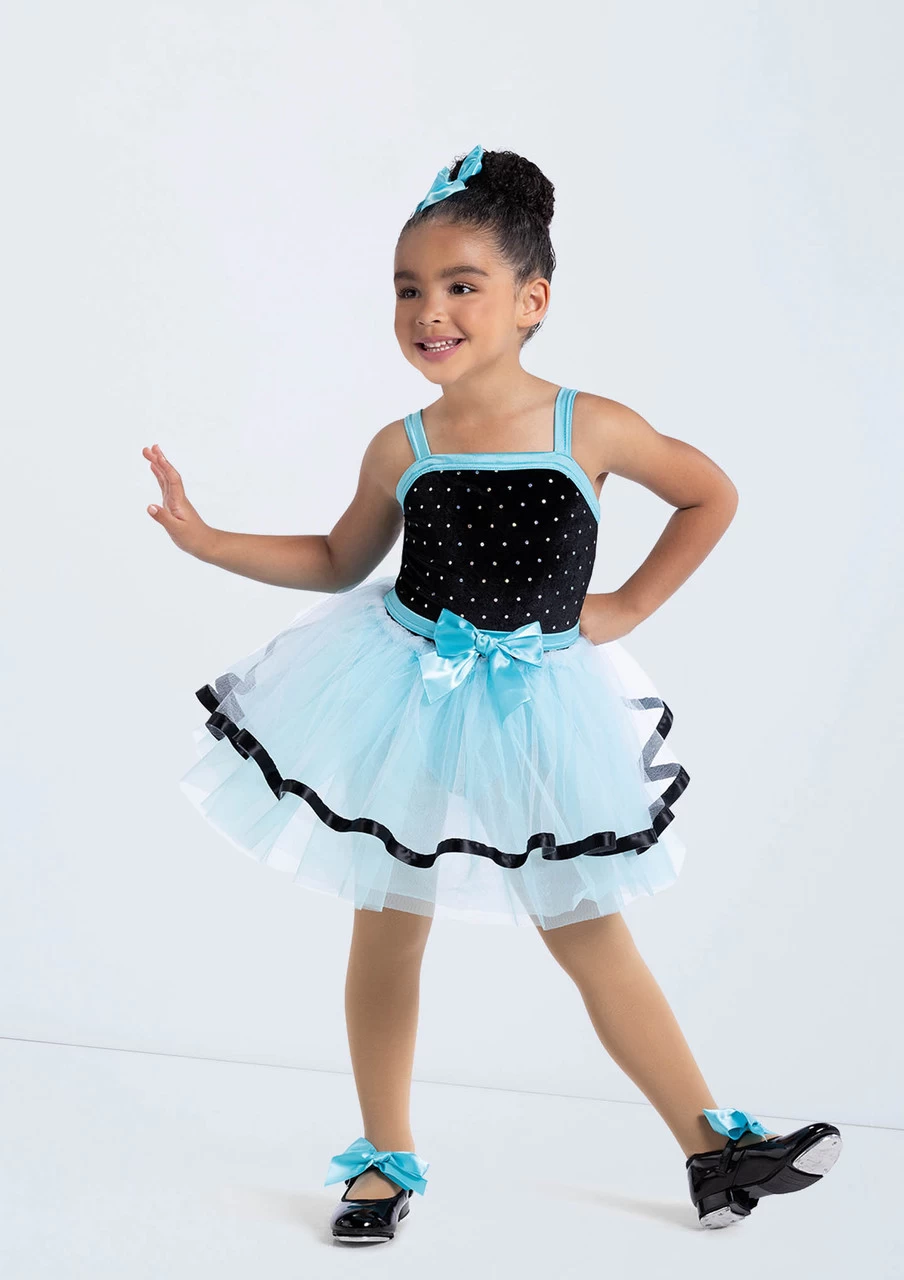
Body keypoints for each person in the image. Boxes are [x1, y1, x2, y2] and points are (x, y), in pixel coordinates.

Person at [144, 144, 842, 1243]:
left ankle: (715, 1150)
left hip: (536, 704)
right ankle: (383, 1161)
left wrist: (627, 607)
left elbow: (708, 493)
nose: (430, 311)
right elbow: (336, 559)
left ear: (531, 301)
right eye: (408, 288)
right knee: (390, 925)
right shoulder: (404, 444)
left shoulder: (587, 425)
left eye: (461, 285)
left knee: (588, 930)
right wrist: (207, 538)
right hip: (406, 689)